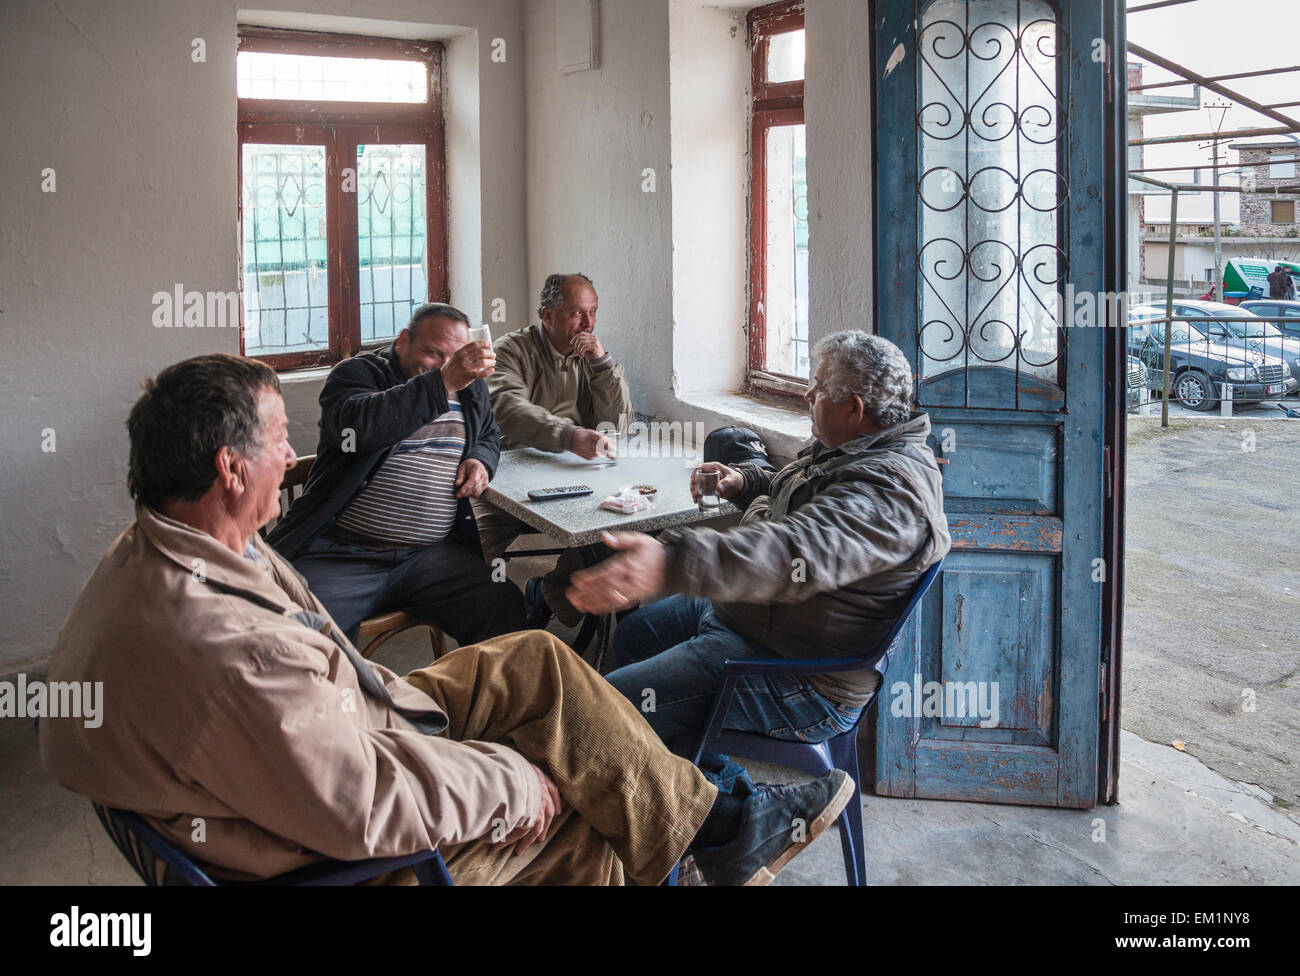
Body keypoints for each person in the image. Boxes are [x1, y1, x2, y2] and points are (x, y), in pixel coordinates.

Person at [39, 354, 854, 886]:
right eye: (282, 442)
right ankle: (714, 831)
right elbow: (363, 804)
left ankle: (720, 822)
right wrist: (506, 782)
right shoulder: (229, 654)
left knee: (533, 655)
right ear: (228, 466)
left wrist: (388, 698)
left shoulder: (149, 553)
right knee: (593, 806)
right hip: (347, 846)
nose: (293, 460)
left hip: (343, 723)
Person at [568, 331, 951, 794]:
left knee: (600, 711)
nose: (807, 395)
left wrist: (670, 562)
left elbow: (792, 551)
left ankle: (729, 814)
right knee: (635, 633)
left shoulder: (890, 493)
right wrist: (744, 481)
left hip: (800, 676)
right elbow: (799, 494)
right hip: (762, 625)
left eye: (817, 388)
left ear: (854, 408)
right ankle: (689, 772)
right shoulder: (855, 446)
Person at [266, 302, 526, 646]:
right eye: (433, 354)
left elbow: (489, 435)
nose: (445, 366)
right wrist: (443, 381)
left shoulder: (469, 385)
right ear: (403, 341)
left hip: (428, 555)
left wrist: (480, 460)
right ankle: (346, 699)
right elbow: (360, 430)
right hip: (343, 551)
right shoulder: (356, 374)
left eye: (453, 357)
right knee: (301, 629)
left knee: (503, 605)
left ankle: (474, 696)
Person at [476, 273, 636, 629]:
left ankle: (555, 590)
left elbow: (619, 427)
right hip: (508, 477)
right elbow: (506, 407)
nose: (588, 323)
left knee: (622, 526)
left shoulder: (590, 356)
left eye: (593, 312)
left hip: (574, 476)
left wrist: (602, 365)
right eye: (576, 313)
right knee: (468, 552)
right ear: (547, 316)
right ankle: (490, 642)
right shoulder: (511, 350)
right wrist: (569, 435)